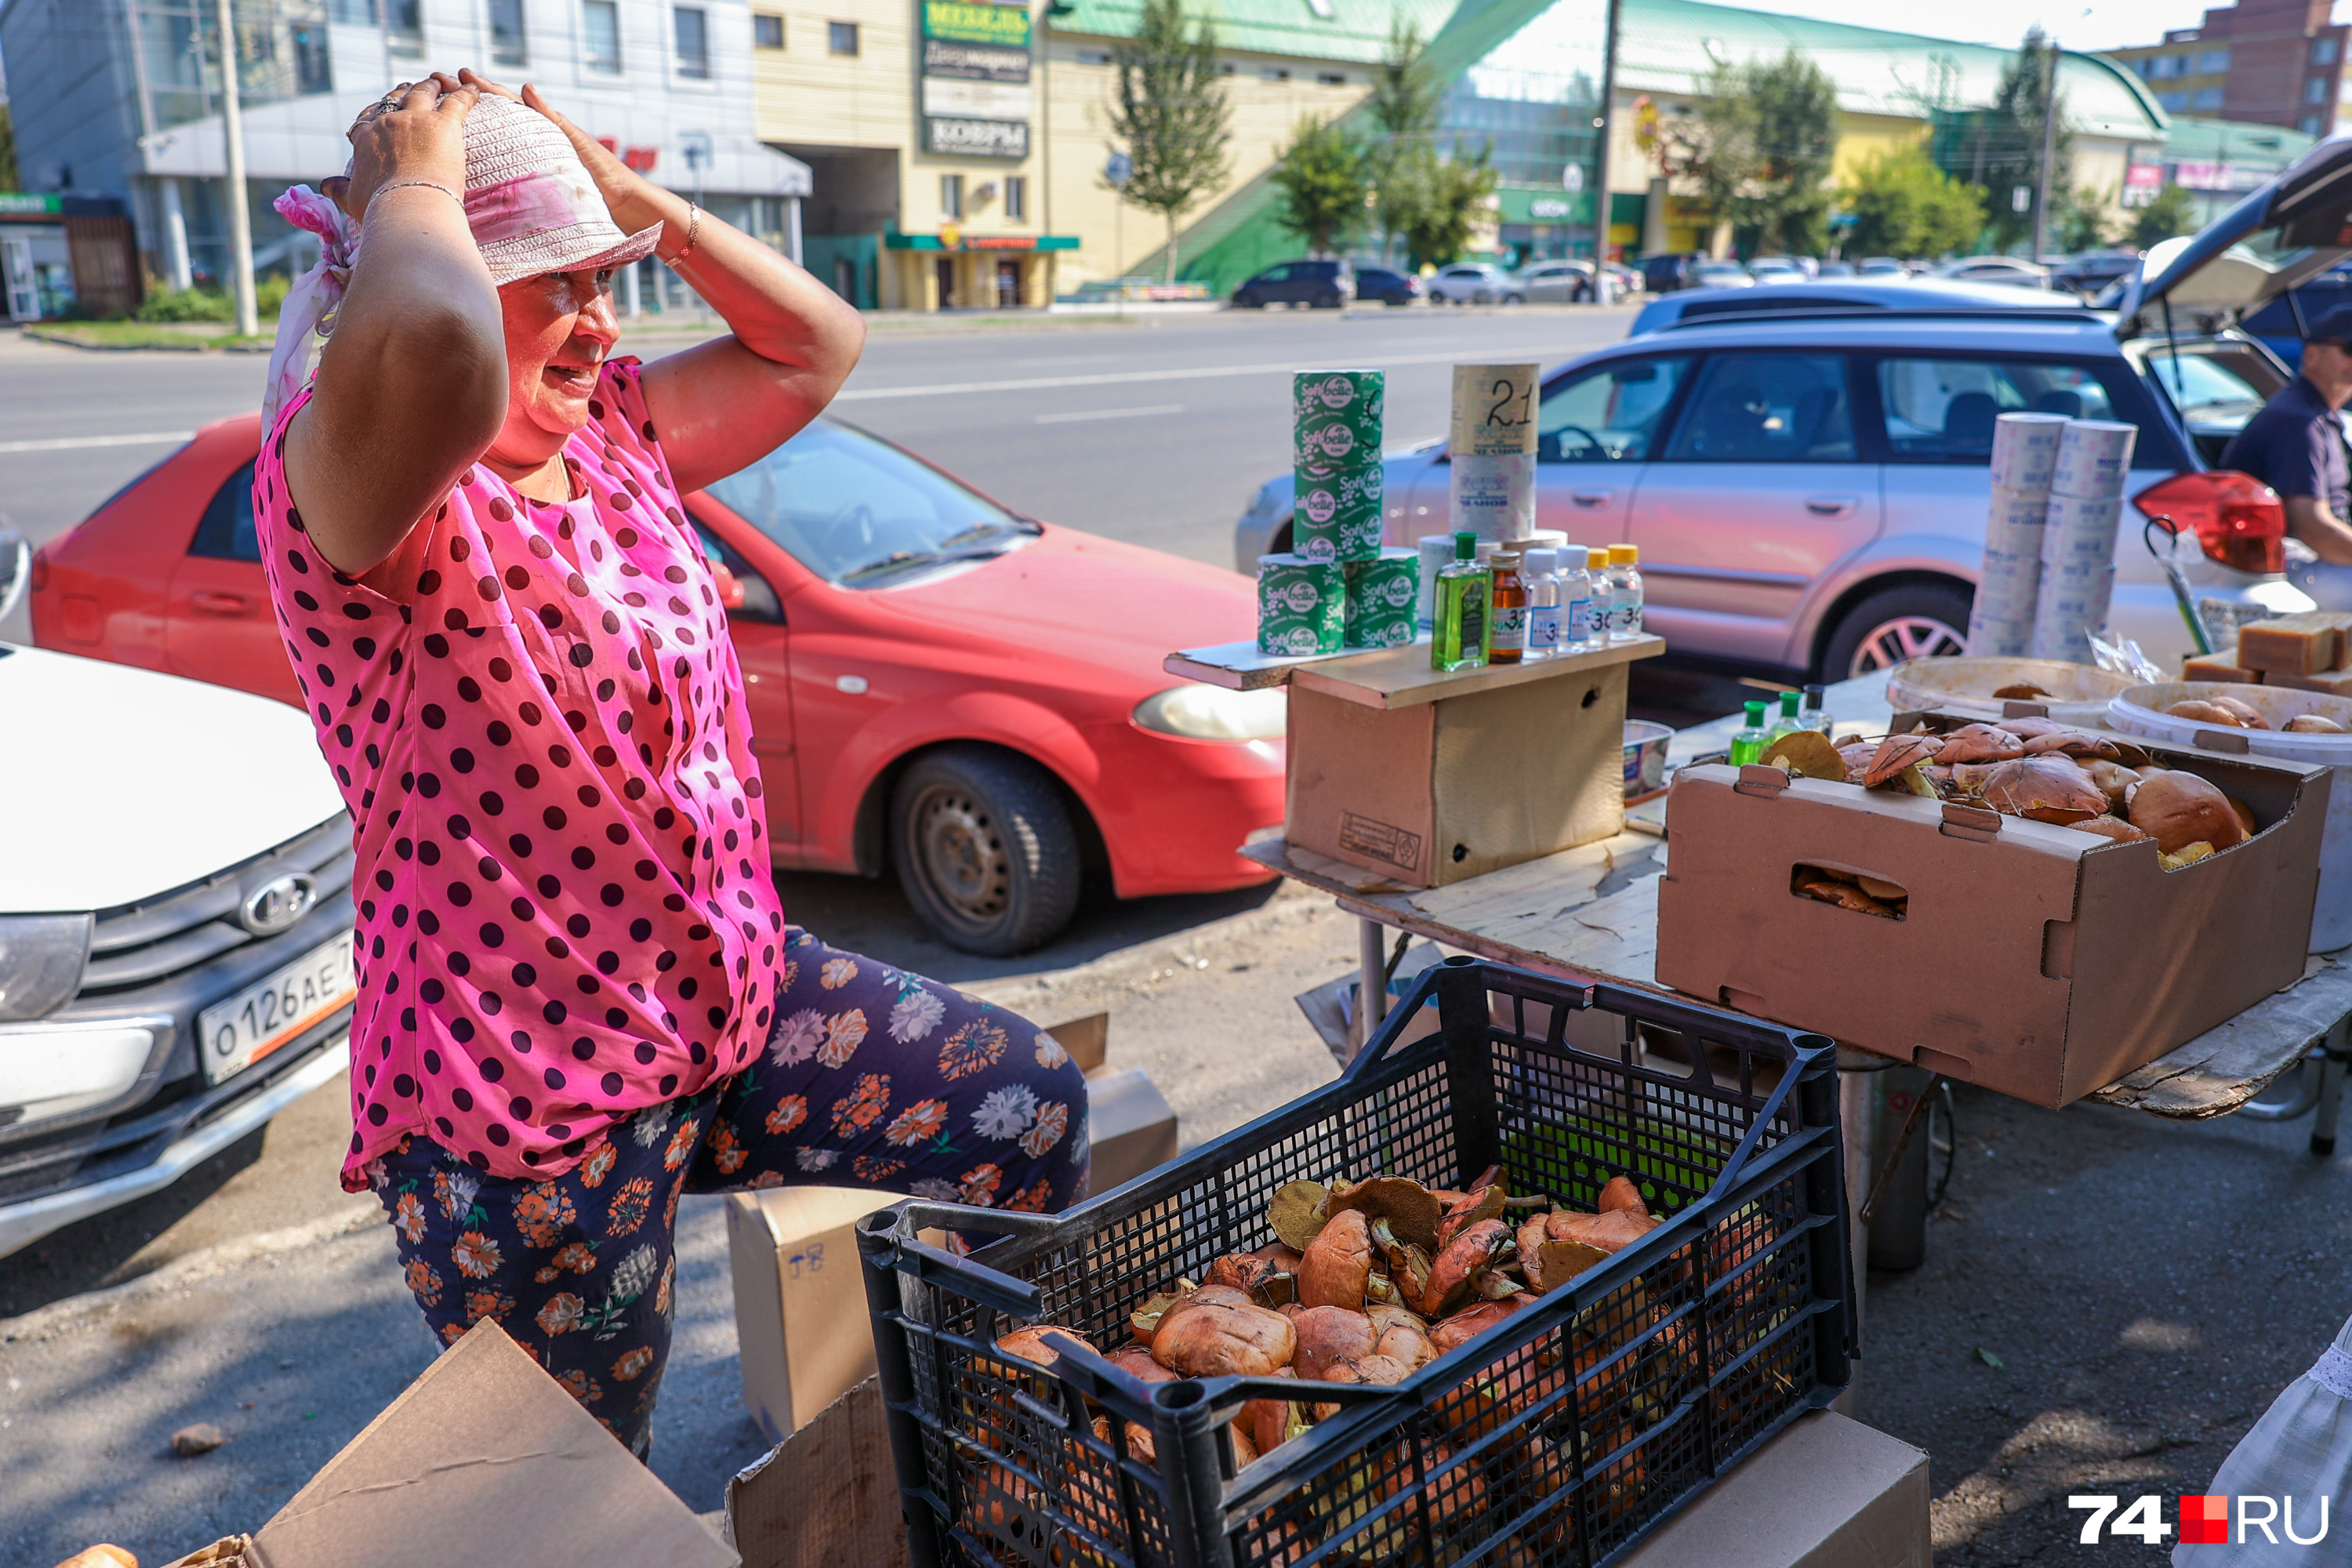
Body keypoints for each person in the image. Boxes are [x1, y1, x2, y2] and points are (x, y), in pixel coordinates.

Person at [252, 73, 1089, 1456]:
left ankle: (950, 1461)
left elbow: (816, 345)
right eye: (562, 284)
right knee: (583, 1492)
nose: (603, 321)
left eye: (610, 280)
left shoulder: (619, 433)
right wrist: (412, 180)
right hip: (527, 1107)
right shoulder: (366, 494)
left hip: (731, 1011)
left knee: (1026, 1112)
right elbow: (440, 349)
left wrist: (645, 212)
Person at [2220, 306, 2352, 608]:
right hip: (2290, 566)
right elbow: (2313, 528)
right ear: (2311, 356)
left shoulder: (2317, 413)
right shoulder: (2297, 422)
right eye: (2349, 348)